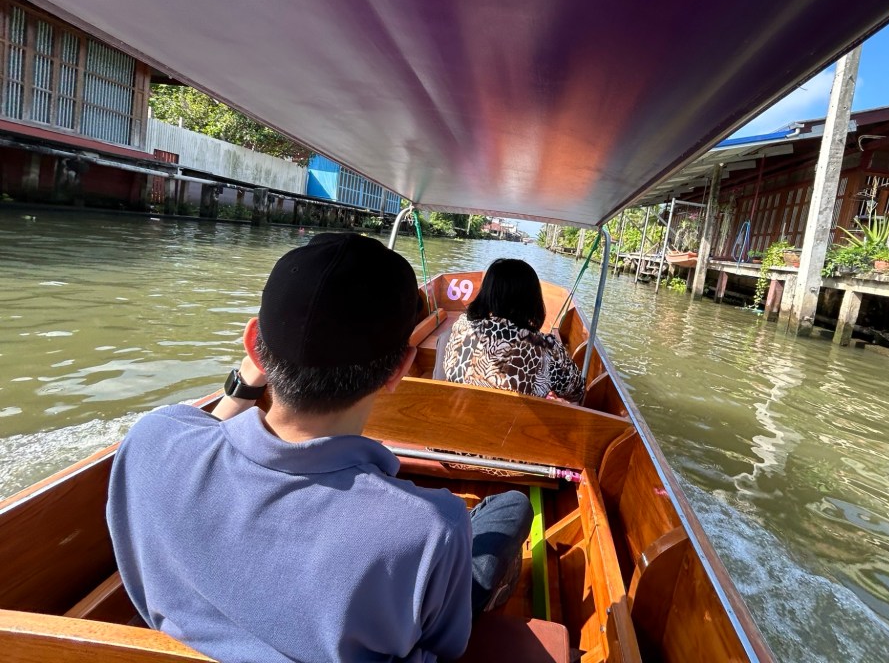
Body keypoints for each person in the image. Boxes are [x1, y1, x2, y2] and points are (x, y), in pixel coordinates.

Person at [107, 233, 532, 663]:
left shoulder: (150, 441)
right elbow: (445, 648)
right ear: (400, 369)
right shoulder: (433, 528)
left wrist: (243, 386)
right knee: (510, 509)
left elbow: (205, 434)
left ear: (254, 346)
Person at [442, 258, 585, 404]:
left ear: (487, 293)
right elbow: (577, 391)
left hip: (456, 413)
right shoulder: (545, 347)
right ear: (532, 301)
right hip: (514, 418)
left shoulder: (461, 327)